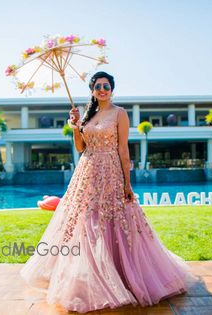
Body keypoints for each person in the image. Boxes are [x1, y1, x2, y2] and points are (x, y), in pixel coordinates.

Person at [20, 71, 192, 313]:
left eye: (106, 86)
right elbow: (81, 148)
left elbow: (123, 150)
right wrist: (76, 126)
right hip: (87, 173)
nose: (102, 89)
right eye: (98, 86)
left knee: (115, 222)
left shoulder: (120, 114)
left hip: (111, 172)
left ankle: (122, 276)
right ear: (92, 90)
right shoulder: (87, 115)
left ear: (112, 89)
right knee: (85, 223)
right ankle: (85, 276)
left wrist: (127, 183)